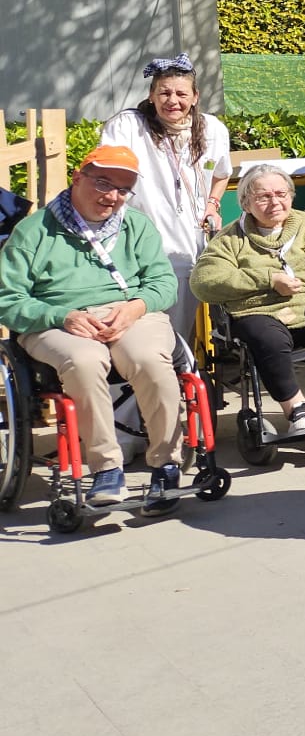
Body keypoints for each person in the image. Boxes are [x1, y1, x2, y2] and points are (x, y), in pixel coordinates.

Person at [0, 146, 183, 512]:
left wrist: (136, 307)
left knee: (147, 357)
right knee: (84, 361)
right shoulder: (35, 230)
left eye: (123, 189)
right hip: (56, 318)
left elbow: (164, 283)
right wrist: (61, 317)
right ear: (77, 177)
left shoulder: (136, 225)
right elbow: (8, 297)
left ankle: (166, 463)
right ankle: (106, 468)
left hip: (128, 311)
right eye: (103, 183)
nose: (112, 196)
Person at [192, 164, 305, 441]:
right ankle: (296, 409)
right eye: (263, 196)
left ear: (291, 196)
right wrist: (267, 278)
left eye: (281, 194)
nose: (274, 202)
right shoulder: (229, 238)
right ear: (246, 202)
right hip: (261, 313)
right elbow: (203, 281)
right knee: (264, 334)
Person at [97, 53, 232, 335]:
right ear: (151, 95)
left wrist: (212, 204)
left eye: (181, 93)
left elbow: (222, 173)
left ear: (195, 96)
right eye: (164, 92)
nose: (173, 100)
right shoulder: (128, 126)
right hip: (137, 242)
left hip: (187, 243)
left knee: (179, 328)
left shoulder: (213, 130)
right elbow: (107, 171)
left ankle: (179, 374)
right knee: (138, 324)